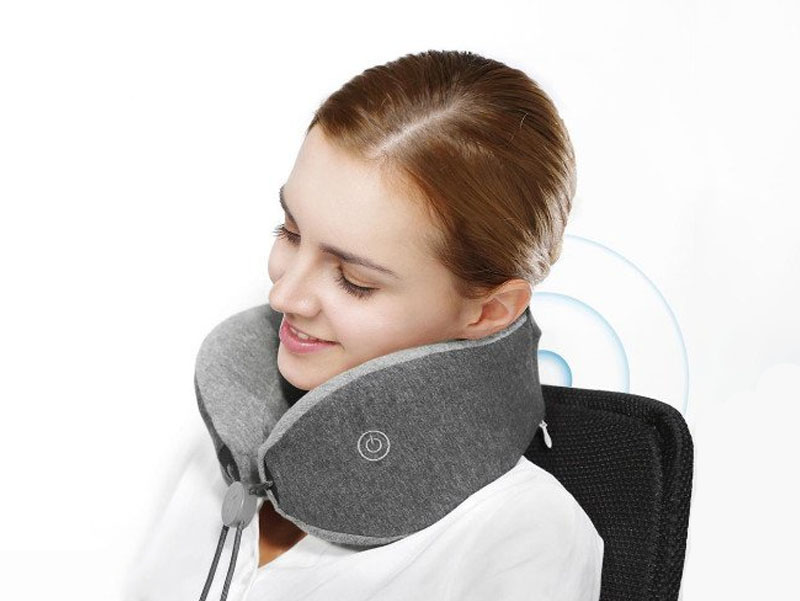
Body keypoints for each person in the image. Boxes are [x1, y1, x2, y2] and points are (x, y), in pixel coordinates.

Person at [124, 49, 603, 601]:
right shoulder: (218, 448)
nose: (284, 295)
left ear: (489, 310)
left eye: (355, 280)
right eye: (289, 233)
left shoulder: (524, 538)